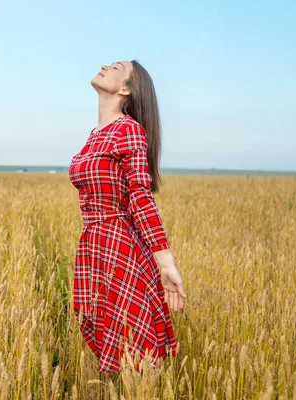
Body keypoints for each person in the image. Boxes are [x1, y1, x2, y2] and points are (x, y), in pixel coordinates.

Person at [68, 59, 187, 373]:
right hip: (93, 247)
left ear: (125, 89)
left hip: (120, 249)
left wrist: (166, 263)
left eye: (117, 67)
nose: (105, 65)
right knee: (106, 339)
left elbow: (140, 198)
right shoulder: (95, 133)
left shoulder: (128, 130)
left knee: (134, 350)